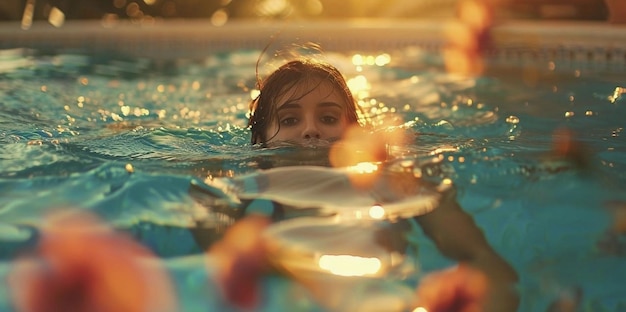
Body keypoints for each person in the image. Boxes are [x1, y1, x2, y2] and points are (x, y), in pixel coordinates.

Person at [204, 56, 519, 312]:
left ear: (353, 134)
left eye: (328, 118)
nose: (311, 130)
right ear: (260, 141)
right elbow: (209, 243)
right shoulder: (248, 182)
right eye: (290, 120)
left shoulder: (394, 182)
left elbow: (485, 262)